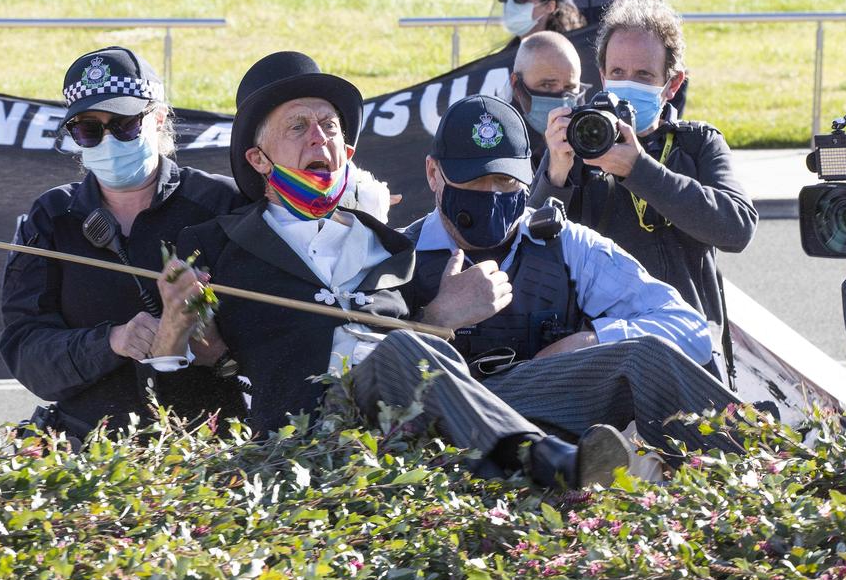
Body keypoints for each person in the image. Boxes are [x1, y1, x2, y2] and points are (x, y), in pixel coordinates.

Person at [146, 52, 647, 489]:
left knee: (640, 358)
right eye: (298, 127)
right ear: (257, 157)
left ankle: (722, 459)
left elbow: (434, 376)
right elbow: (186, 409)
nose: (318, 140)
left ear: (348, 153)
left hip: (411, 440)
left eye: (330, 128)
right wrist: (174, 335)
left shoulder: (391, 245)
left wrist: (438, 318)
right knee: (403, 348)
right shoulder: (211, 247)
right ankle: (549, 468)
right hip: (307, 451)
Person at [397, 95, 745, 469]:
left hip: (550, 414)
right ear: (434, 174)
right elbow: (358, 374)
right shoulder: (395, 256)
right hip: (441, 435)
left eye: (505, 179)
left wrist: (592, 340)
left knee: (643, 354)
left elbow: (690, 329)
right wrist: (434, 320)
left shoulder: (567, 246)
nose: (492, 195)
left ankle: (755, 484)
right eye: (475, 180)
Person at [0, 46, 245, 444]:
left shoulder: (223, 205)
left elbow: (279, 334)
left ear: (159, 117)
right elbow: (26, 352)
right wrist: (111, 341)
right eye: (89, 129)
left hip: (211, 453)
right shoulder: (52, 217)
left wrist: (214, 345)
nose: (109, 140)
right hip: (90, 461)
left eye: (125, 124)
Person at [531, 0, 757, 379]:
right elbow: (530, 248)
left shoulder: (697, 144)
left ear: (672, 85)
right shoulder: (577, 141)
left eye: (644, 77)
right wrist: (554, 175)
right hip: (597, 359)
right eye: (618, 71)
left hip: (688, 352)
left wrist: (639, 169)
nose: (627, 85)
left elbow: (736, 229)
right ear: (601, 75)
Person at [509, 31, 587, 168]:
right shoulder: (500, 145)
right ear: (516, 84)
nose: (562, 99)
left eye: (570, 87)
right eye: (546, 85)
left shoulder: (590, 139)